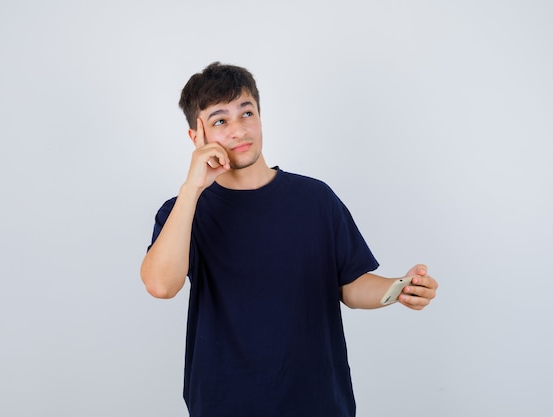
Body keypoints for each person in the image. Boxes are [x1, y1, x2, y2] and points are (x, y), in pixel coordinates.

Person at [141, 62, 438, 417]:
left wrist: (398, 290)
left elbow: (350, 285)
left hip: (317, 401)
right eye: (220, 120)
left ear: (260, 117)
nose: (238, 130)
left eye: (246, 113)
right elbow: (161, 285)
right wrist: (192, 188)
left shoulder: (315, 199)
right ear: (196, 137)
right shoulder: (183, 211)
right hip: (224, 403)